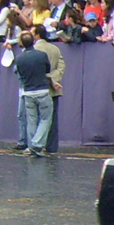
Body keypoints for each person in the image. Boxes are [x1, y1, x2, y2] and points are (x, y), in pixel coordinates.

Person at [12, 30, 56, 157]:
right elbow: (47, 69)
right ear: (33, 41)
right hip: (42, 90)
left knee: (31, 120)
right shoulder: (41, 55)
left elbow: (18, 73)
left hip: (28, 91)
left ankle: (31, 145)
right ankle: (37, 144)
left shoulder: (19, 58)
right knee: (45, 119)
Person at [31, 25, 66, 154]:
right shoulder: (55, 48)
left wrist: (48, 79)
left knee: (37, 118)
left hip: (39, 88)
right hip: (54, 89)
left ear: (37, 35)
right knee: (53, 119)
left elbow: (36, 71)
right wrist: (53, 79)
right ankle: (52, 147)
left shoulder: (34, 50)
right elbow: (62, 66)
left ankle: (36, 144)